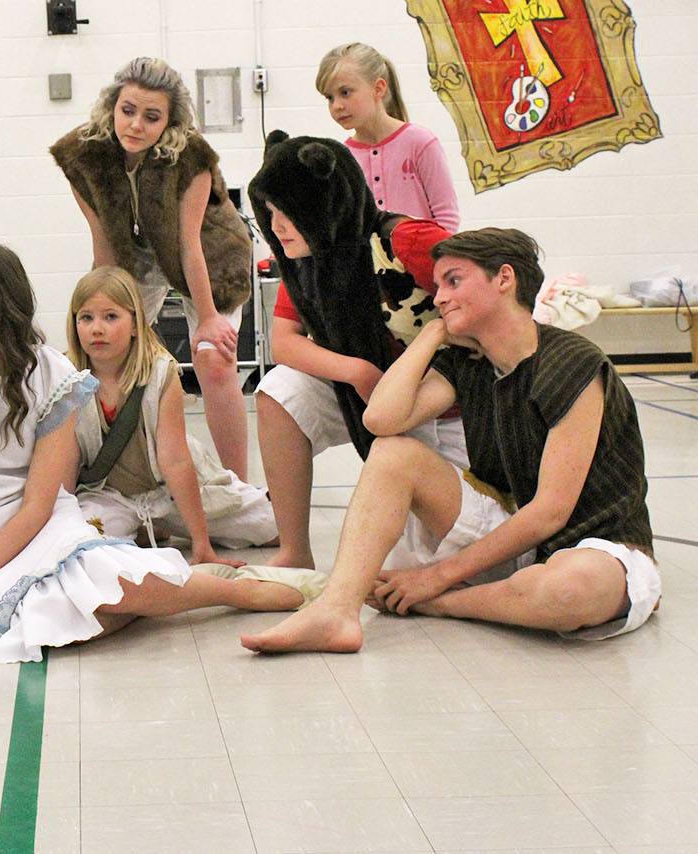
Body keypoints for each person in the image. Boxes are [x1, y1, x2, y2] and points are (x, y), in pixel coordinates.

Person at [0, 244, 317, 664]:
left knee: (113, 591)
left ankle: (233, 591)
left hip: (36, 523)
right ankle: (201, 587)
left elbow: (37, 504)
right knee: (47, 624)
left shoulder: (49, 376)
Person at [242, 229, 661, 653]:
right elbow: (381, 419)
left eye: (454, 281)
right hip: (513, 538)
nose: (439, 297)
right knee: (393, 453)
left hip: (596, 545)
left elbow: (550, 513)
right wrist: (432, 336)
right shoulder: (465, 360)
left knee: (573, 589)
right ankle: (336, 611)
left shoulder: (573, 363)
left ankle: (445, 604)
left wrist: (434, 582)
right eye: (438, 284)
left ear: (504, 279)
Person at [247, 131, 468, 570]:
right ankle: (294, 551)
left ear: (324, 204)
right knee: (279, 390)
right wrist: (358, 371)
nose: (276, 227)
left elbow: (488, 301)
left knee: (423, 566)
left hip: (449, 406)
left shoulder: (406, 239)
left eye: (287, 213)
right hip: (372, 396)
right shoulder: (305, 262)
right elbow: (284, 342)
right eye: (269, 213)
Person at [51, 57, 254, 480]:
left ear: (169, 121)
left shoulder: (191, 157)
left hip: (209, 252)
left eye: (151, 117)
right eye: (128, 111)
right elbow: (103, 238)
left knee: (214, 360)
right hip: (134, 252)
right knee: (109, 354)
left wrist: (209, 320)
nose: (136, 125)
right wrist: (104, 307)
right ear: (112, 107)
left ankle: (239, 485)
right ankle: (124, 476)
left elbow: (188, 243)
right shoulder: (83, 156)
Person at [66, 266, 282, 562]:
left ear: (135, 324)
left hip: (171, 492)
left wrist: (201, 544)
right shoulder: (65, 378)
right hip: (108, 496)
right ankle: (144, 526)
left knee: (272, 526)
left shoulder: (160, 372)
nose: (97, 328)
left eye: (111, 316)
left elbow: (176, 461)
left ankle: (160, 523)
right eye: (86, 318)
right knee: (83, 548)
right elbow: (62, 467)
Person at [317, 42, 460, 231]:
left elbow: (447, 219)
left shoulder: (420, 142)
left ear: (378, 88)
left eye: (345, 92)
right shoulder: (341, 159)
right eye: (330, 98)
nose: (337, 106)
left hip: (423, 259)